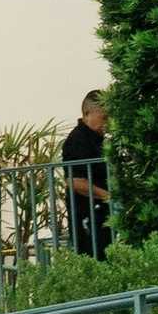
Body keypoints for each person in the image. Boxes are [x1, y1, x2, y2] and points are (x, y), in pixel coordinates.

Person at [62, 88, 114, 258]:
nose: (107, 123)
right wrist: (108, 196)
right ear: (87, 115)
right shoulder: (78, 141)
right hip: (86, 216)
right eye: (104, 118)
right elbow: (75, 181)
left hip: (100, 214)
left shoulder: (98, 140)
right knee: (94, 259)